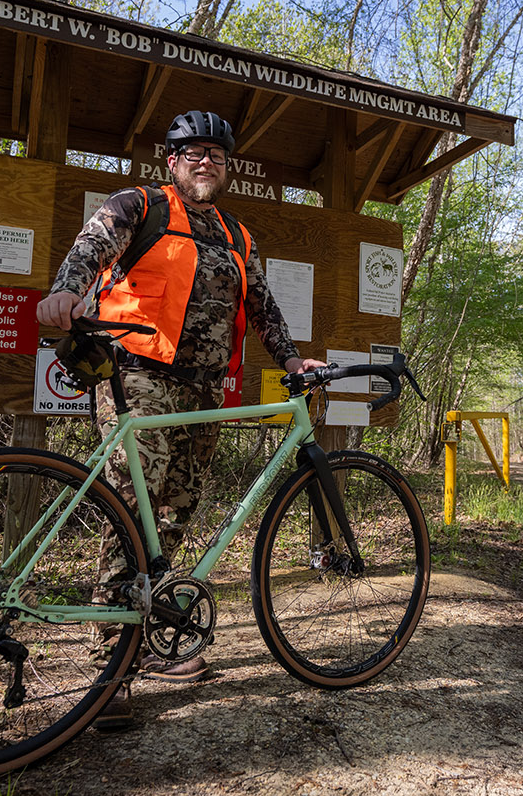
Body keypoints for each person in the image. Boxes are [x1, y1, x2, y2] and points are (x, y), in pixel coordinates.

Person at [35, 109, 325, 729]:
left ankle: (147, 642)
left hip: (204, 392)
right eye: (192, 151)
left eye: (216, 154)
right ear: (171, 160)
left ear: (226, 167)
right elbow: (92, 245)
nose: (205, 160)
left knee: (174, 511)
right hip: (138, 375)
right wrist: (67, 290)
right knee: (133, 514)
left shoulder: (237, 236)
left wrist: (294, 359)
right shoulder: (140, 205)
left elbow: (265, 306)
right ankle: (107, 668)